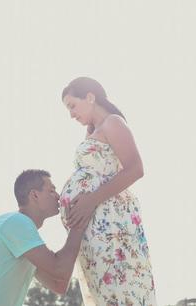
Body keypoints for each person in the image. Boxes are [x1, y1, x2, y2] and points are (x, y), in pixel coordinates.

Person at [59, 77, 157, 305]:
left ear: (90, 97)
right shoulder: (94, 131)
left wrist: (90, 200)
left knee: (122, 291)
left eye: (72, 105)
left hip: (114, 225)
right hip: (95, 228)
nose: (71, 114)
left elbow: (135, 169)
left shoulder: (112, 123)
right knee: (104, 293)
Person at [0, 169, 90, 306]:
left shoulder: (24, 240)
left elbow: (59, 284)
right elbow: (59, 270)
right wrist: (79, 221)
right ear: (34, 195)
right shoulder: (15, 222)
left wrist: (77, 223)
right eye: (51, 190)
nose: (58, 196)